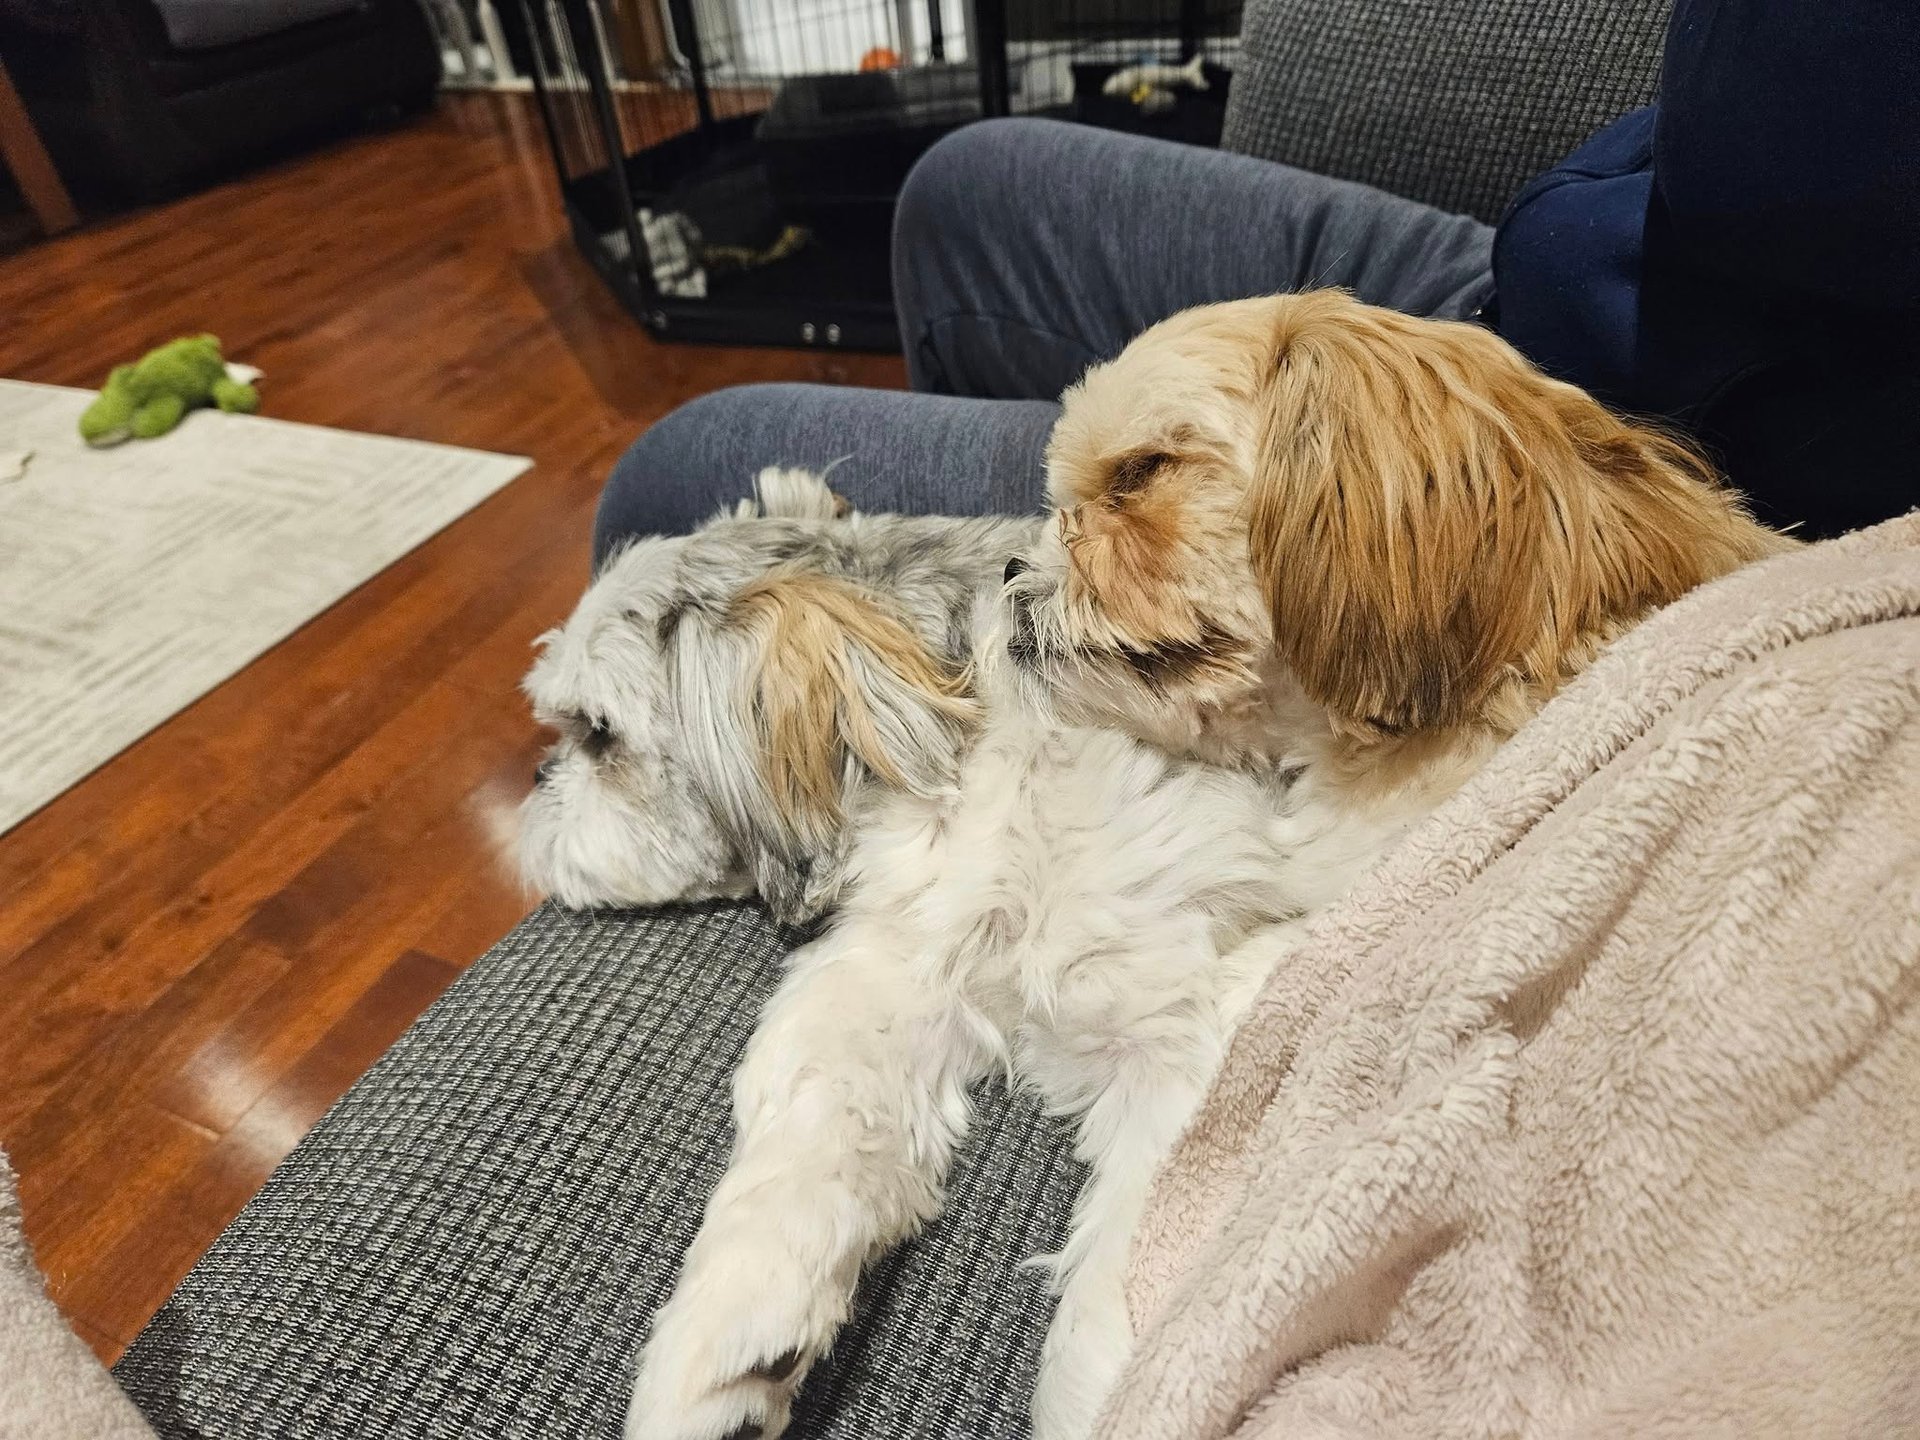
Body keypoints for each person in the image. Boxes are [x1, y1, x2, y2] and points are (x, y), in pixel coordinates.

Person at [594, 0, 1917, 563]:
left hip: (1692, 445)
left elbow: (1779, 149)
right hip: (1590, 275)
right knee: (963, 186)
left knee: (678, 479)